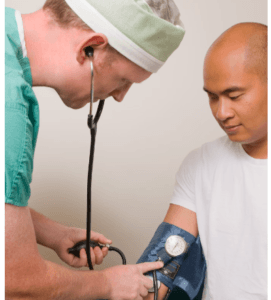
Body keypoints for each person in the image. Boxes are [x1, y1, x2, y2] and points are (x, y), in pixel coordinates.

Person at [5, 0, 186, 299]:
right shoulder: (8, 105)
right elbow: (13, 279)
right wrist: (108, 284)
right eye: (123, 80)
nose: (119, 96)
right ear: (90, 48)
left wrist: (52, 233)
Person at [138, 22, 267, 300]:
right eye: (212, 97)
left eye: (234, 96)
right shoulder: (200, 164)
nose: (222, 112)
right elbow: (164, 262)